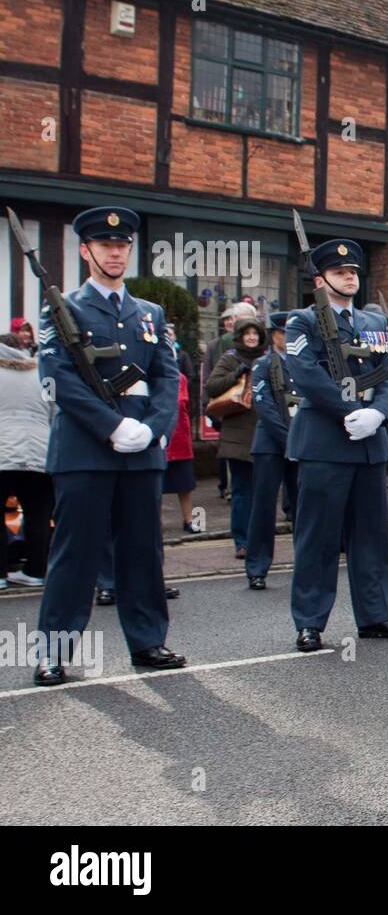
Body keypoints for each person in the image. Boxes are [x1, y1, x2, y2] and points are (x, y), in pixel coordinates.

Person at [33, 206, 183, 685]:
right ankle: (53, 653)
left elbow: (166, 375)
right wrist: (111, 427)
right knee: (75, 554)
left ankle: (147, 642)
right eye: (105, 245)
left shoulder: (150, 314)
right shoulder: (62, 309)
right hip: (86, 452)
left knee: (143, 551)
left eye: (122, 246)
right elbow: (58, 379)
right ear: (86, 251)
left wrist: (156, 428)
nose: (115, 252)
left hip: (142, 453)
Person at [282, 238, 388, 652]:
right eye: (340, 272)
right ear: (320, 280)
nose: (350, 277)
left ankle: (376, 615)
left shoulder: (374, 324)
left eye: (354, 272)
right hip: (325, 441)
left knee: (372, 536)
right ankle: (310, 622)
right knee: (318, 537)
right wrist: (348, 410)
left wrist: (377, 415)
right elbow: (305, 374)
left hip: (369, 443)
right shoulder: (302, 322)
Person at [244, 311, 300, 589]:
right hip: (271, 444)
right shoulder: (263, 365)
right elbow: (264, 407)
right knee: (263, 508)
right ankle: (257, 567)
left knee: (303, 507)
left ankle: (305, 562)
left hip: (300, 443)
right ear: (274, 335)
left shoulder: (303, 364)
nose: (288, 339)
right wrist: (288, 440)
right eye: (284, 334)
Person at [205, 317, 267, 558]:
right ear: (239, 336)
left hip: (264, 432)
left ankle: (259, 538)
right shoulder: (230, 359)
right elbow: (212, 386)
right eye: (247, 333)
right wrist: (237, 374)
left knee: (262, 492)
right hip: (238, 434)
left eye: (255, 333)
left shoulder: (266, 358)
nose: (251, 337)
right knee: (242, 491)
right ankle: (242, 541)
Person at [0, 332, 53, 588]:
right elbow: (56, 412)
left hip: (3, 453)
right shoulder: (41, 375)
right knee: (38, 515)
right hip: (40, 453)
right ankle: (35, 571)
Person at [162, 334, 198, 535]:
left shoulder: (181, 379)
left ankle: (192, 521)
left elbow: (185, 404)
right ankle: (155, 523)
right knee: (156, 487)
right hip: (160, 441)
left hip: (181, 440)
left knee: (187, 486)